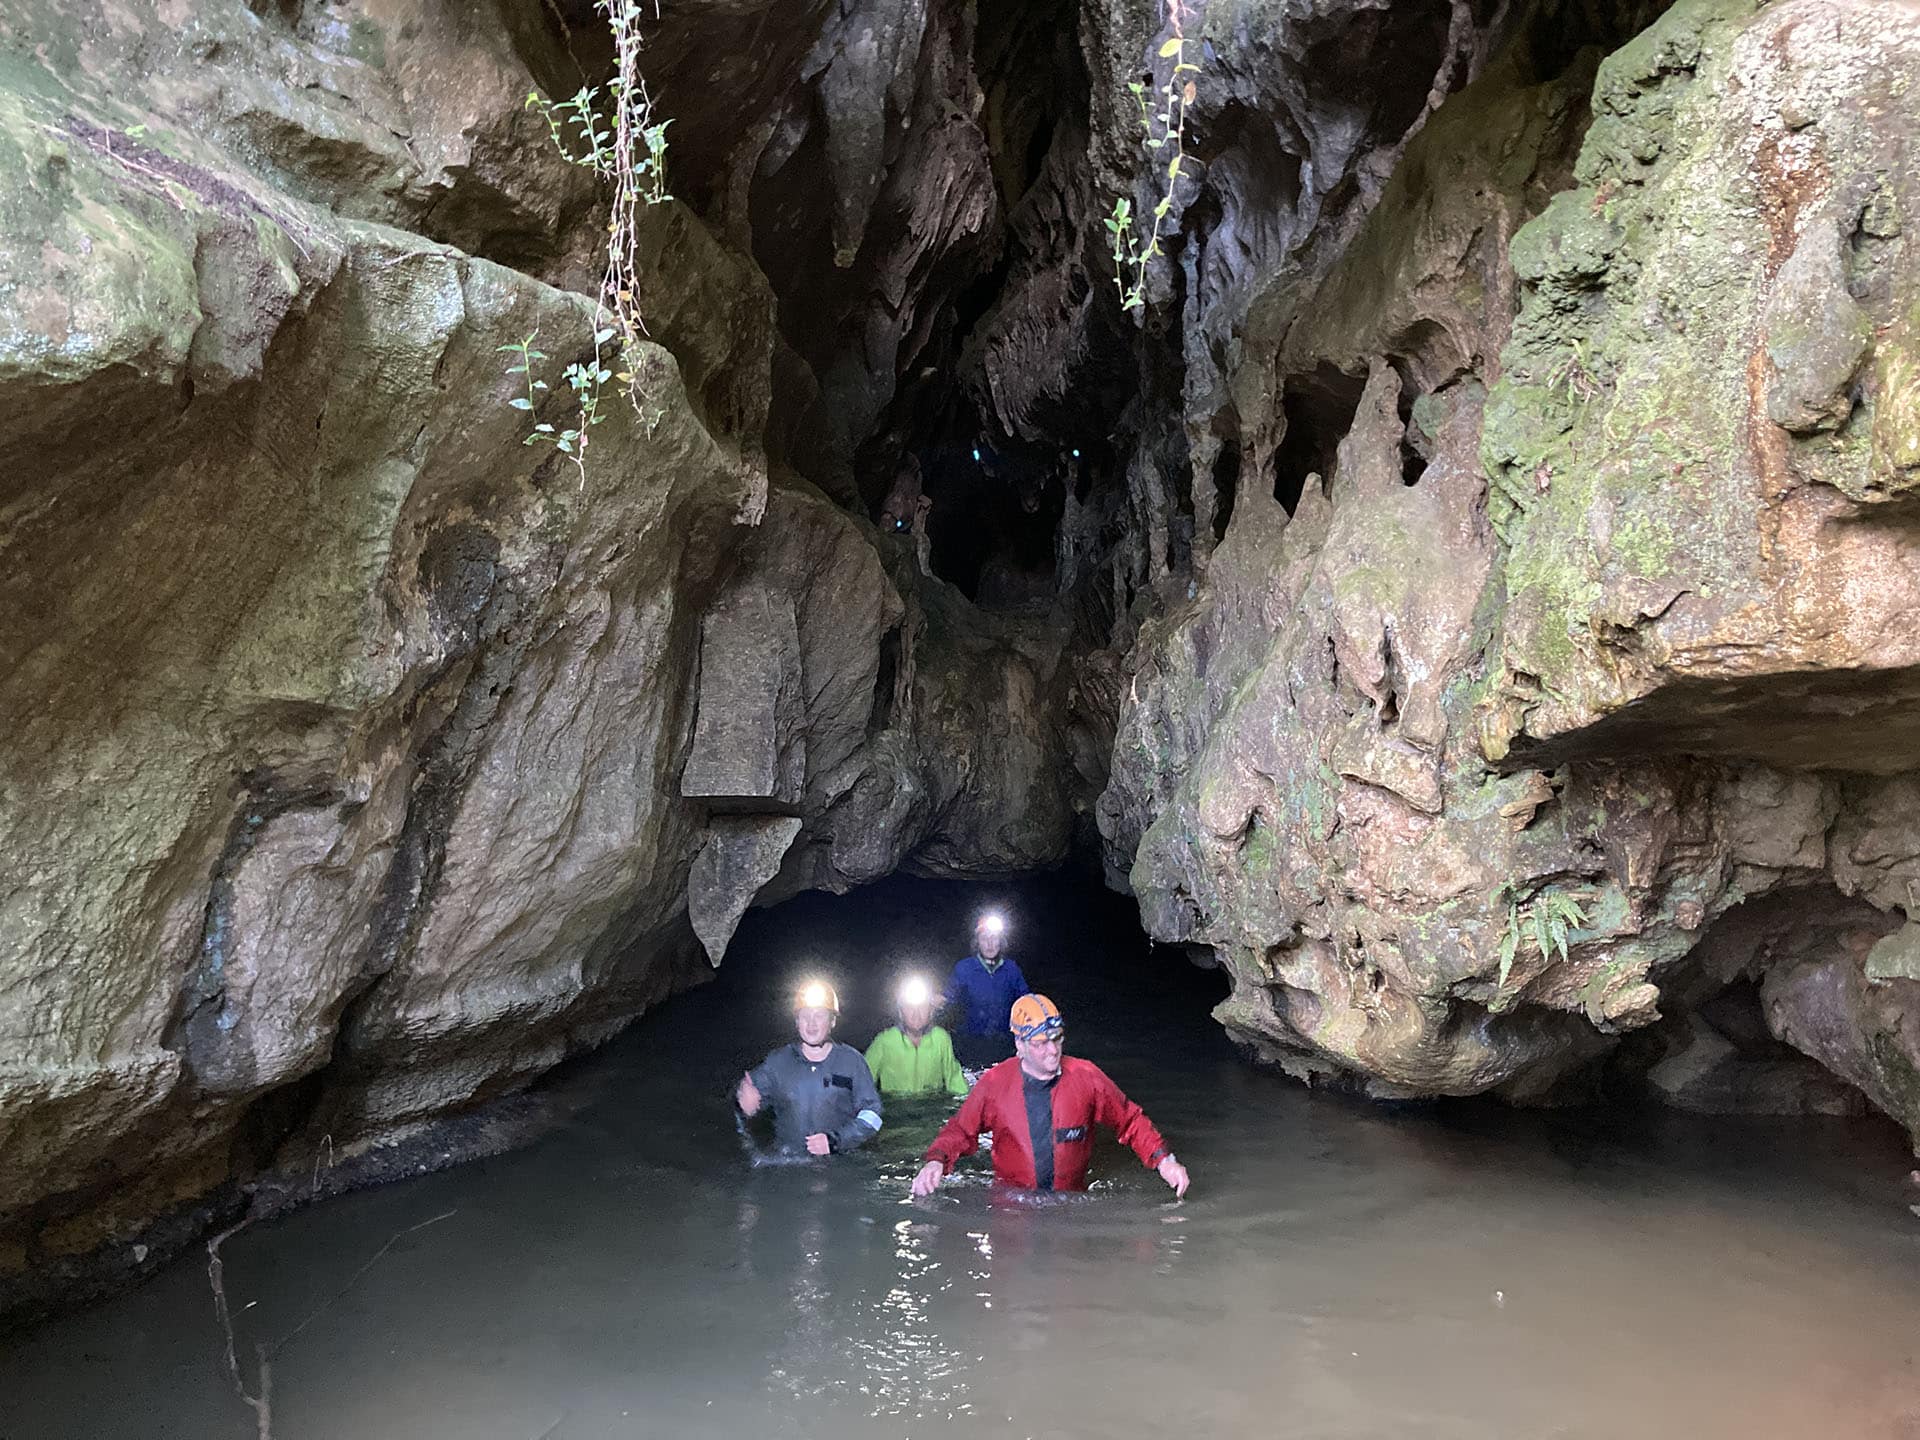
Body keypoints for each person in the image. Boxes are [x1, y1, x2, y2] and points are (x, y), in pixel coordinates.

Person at [911, 994, 1191, 1197]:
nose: (1052, 1050)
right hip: (1011, 1205)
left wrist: (1165, 1161)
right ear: (1019, 1044)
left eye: (1057, 1038)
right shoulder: (994, 1084)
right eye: (1040, 1043)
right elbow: (960, 1130)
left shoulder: (1087, 1077)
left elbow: (1129, 1120)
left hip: (1071, 1201)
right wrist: (935, 1161)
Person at [736, 981, 883, 1156]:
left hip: (840, 1164)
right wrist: (743, 1103)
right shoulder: (778, 1062)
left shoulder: (852, 1062)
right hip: (789, 1166)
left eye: (819, 1015)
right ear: (797, 1022)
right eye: (805, 1016)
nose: (811, 1023)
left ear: (832, 1021)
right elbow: (743, 1099)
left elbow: (873, 1115)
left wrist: (836, 1140)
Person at [938, 911, 1030, 1063]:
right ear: (977, 942)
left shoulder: (1011, 968)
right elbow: (949, 996)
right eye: (984, 938)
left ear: (1001, 942)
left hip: (1005, 1043)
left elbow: (1026, 999)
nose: (989, 943)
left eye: (994, 938)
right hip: (971, 1042)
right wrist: (935, 1001)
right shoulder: (965, 968)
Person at [865, 974, 969, 1099]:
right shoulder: (884, 1041)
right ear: (901, 1012)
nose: (916, 1014)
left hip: (931, 1109)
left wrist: (966, 1107)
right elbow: (863, 1082)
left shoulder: (941, 1039)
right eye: (910, 1007)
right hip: (896, 1110)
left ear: (931, 1012)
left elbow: (955, 1080)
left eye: (922, 1007)